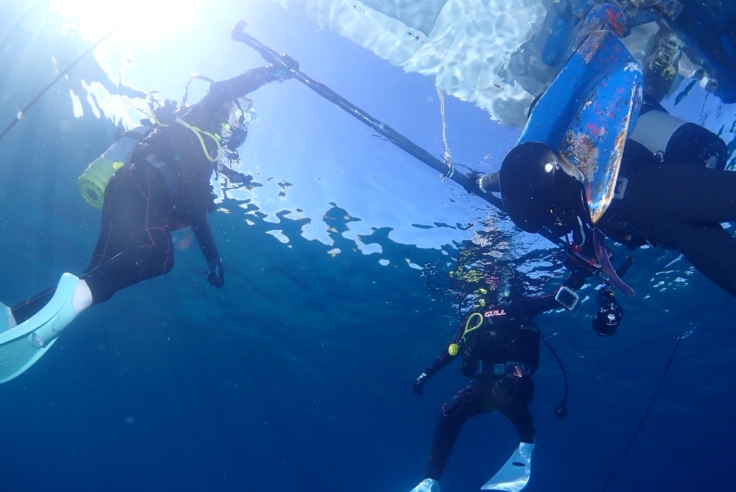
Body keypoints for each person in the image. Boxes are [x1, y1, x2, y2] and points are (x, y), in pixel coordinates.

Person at [0, 58, 297, 383]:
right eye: (234, 115)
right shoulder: (200, 114)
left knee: (100, 276)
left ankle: (14, 317)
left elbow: (197, 215)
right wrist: (271, 73)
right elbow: (226, 88)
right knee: (158, 254)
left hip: (128, 190)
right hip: (145, 181)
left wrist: (214, 259)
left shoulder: (204, 159)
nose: (232, 123)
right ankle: (65, 306)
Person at [491, 105, 736, 297]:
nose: (555, 226)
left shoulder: (585, 191)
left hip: (653, 198)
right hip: (663, 221)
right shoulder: (583, 197)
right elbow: (588, 244)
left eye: (550, 216)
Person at [407, 264, 611, 492]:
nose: (492, 281)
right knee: (451, 410)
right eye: (488, 277)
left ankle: (526, 441)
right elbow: (452, 349)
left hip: (515, 381)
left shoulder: (521, 305)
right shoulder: (475, 316)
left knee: (504, 389)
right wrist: (426, 374)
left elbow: (557, 297)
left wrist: (580, 272)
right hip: (480, 383)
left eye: (497, 275)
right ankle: (429, 481)